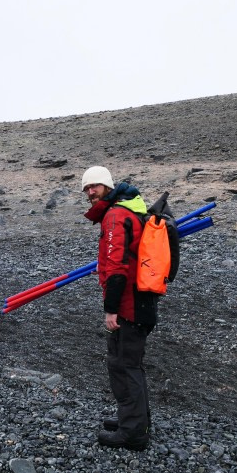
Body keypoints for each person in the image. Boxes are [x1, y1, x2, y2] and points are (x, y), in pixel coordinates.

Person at [81, 165, 155, 451]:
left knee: (124, 367)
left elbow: (117, 269)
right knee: (130, 365)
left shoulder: (115, 216)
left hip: (129, 304)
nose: (90, 192)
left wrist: (110, 310)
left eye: (95, 186)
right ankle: (134, 420)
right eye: (86, 188)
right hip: (141, 299)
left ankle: (133, 434)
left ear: (108, 186)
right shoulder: (130, 209)